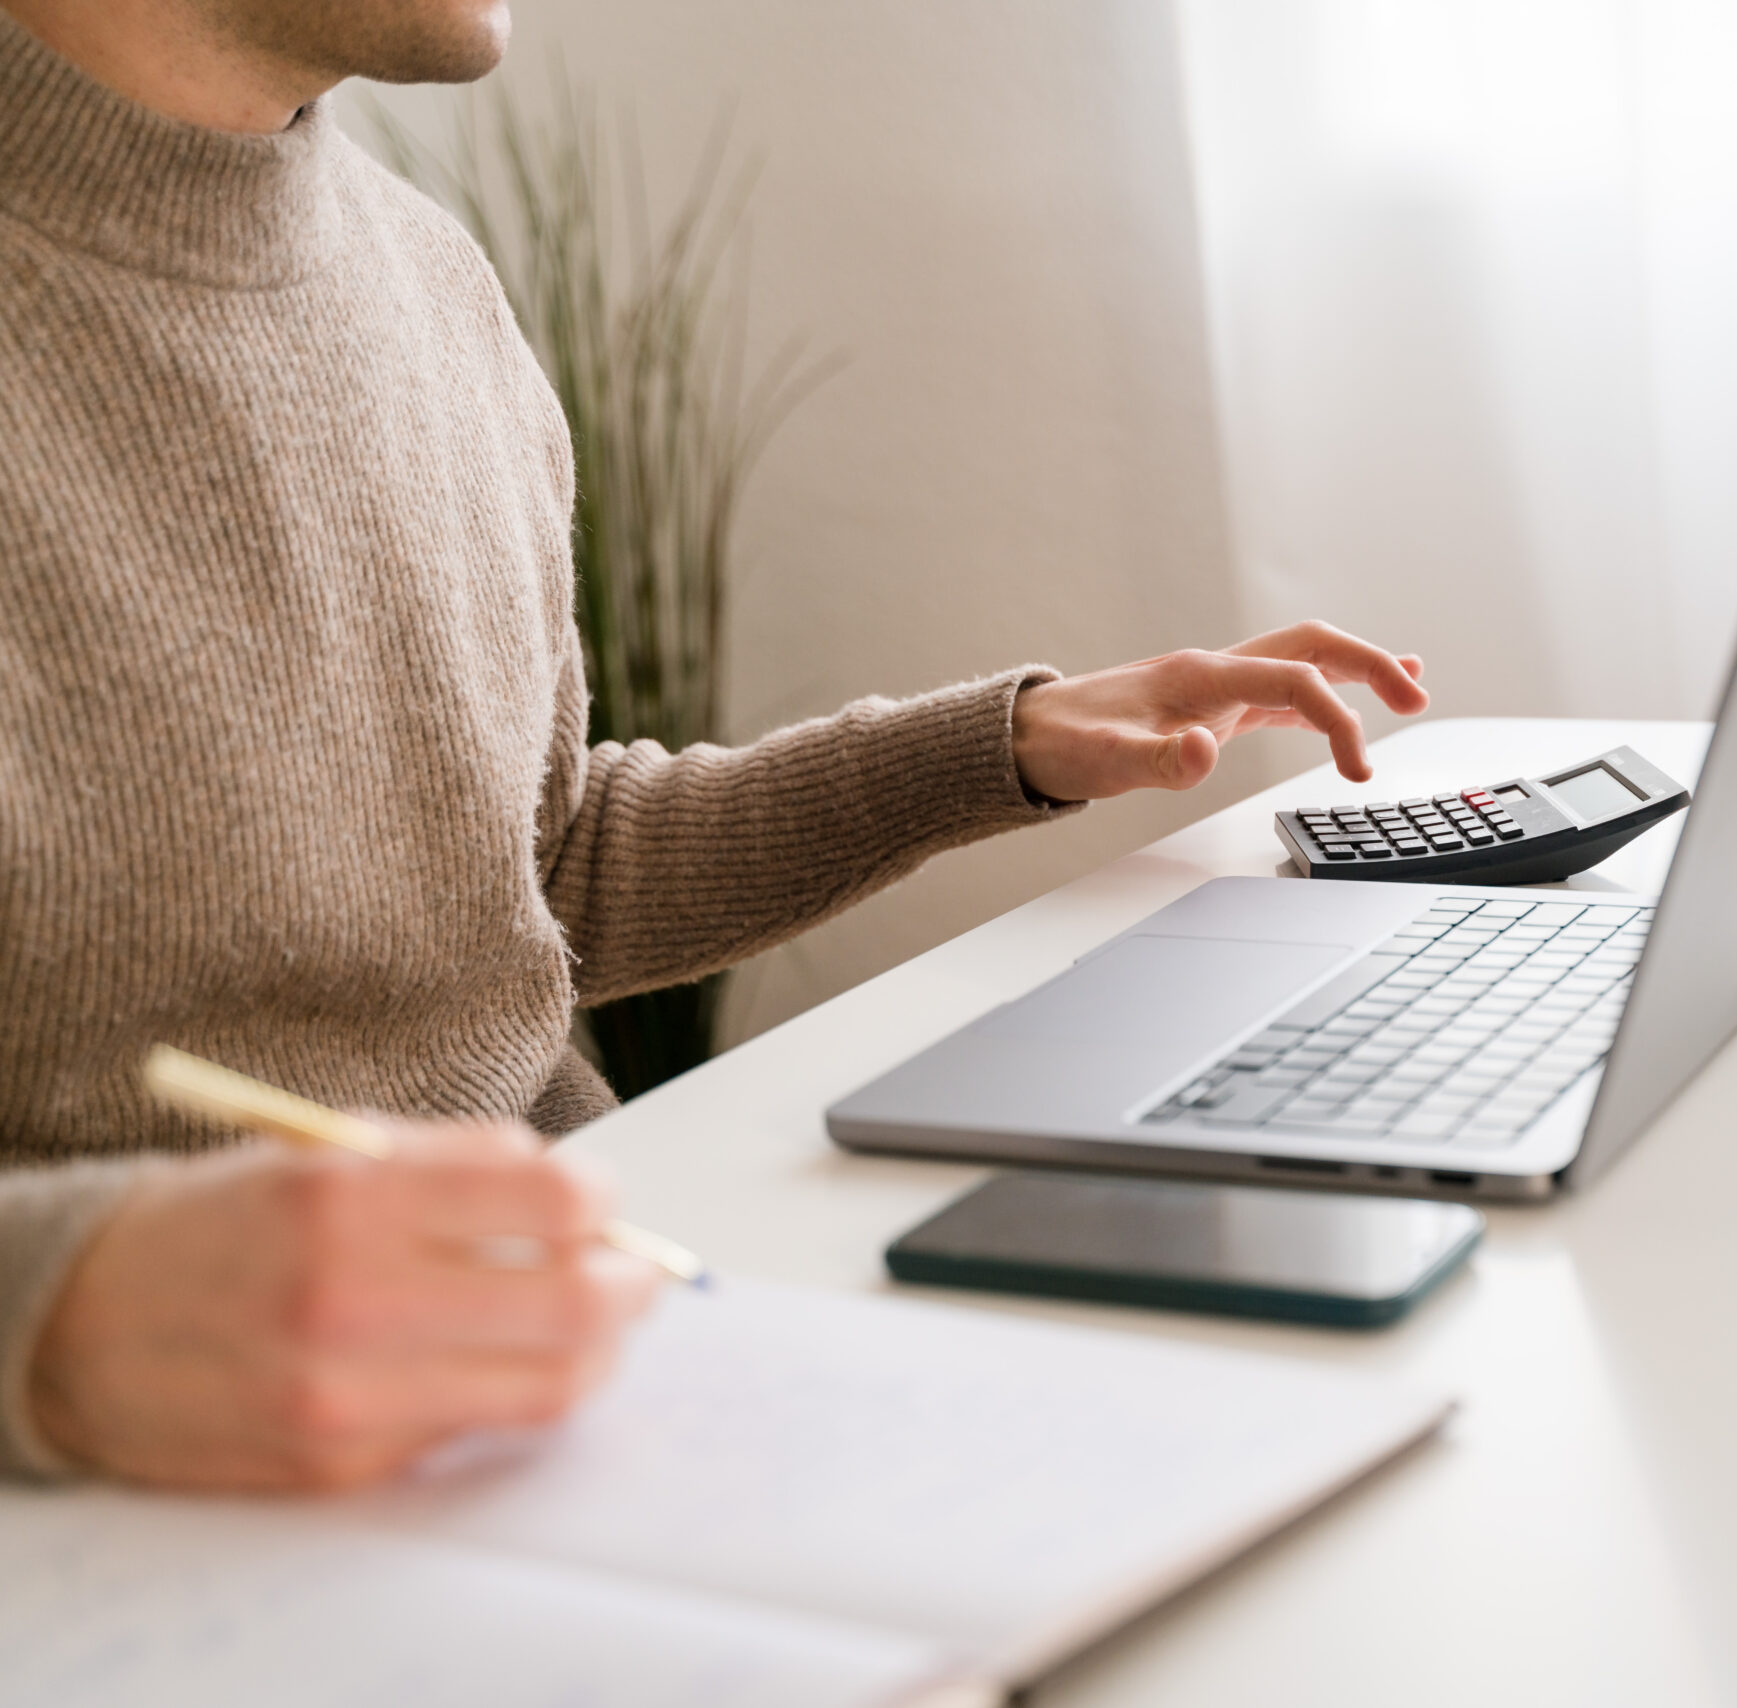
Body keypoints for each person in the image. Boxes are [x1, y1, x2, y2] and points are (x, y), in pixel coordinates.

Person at [0, 0, 1428, 1491]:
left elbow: (531, 874)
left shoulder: (428, 282)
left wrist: (992, 749)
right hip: (145, 1506)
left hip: (585, 1355)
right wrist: (62, 1321)